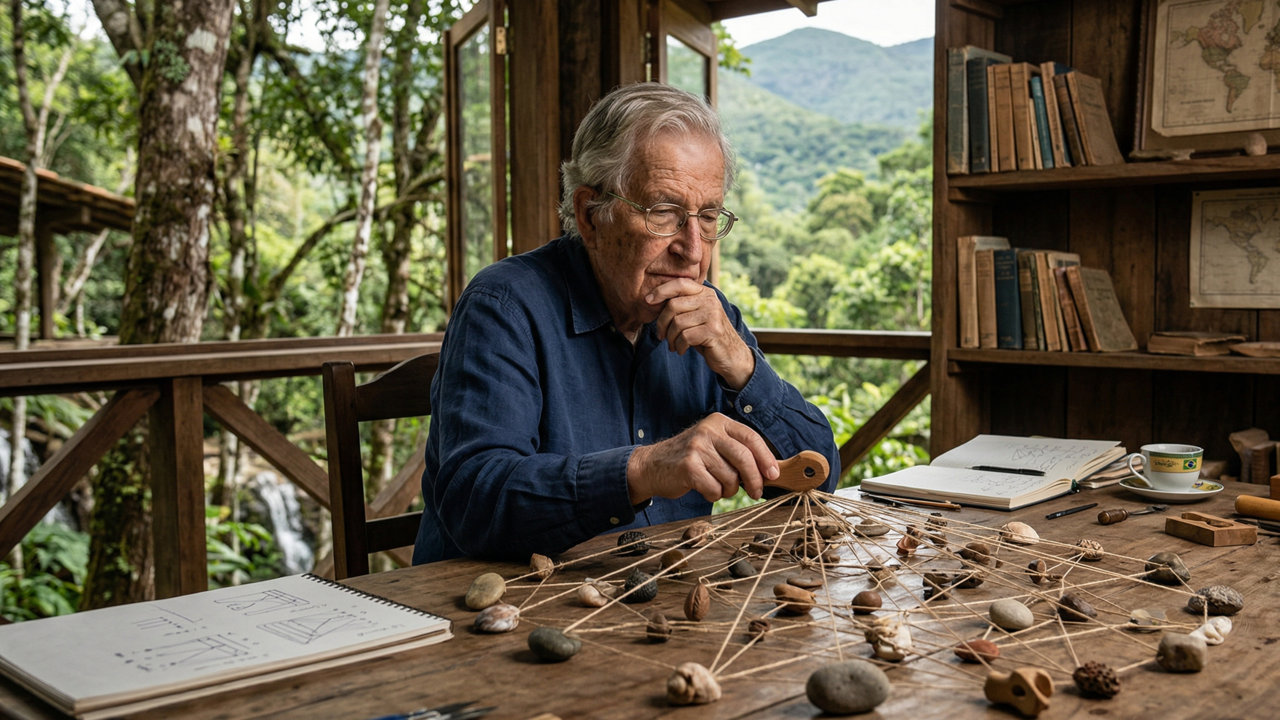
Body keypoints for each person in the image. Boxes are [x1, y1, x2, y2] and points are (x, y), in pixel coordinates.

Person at [412, 83, 839, 564]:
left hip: (661, 610)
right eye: (663, 213)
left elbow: (821, 477)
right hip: (493, 607)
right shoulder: (504, 305)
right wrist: (646, 468)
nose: (693, 249)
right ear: (590, 215)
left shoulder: (711, 317)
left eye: (708, 217)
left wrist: (742, 366)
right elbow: (474, 503)